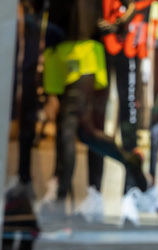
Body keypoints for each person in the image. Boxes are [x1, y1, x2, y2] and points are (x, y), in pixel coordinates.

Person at [40, 0, 147, 222]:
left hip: (84, 46)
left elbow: (132, 5)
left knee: (66, 122)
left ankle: (57, 198)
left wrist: (117, 23)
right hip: (57, 46)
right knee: (84, 131)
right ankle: (129, 161)